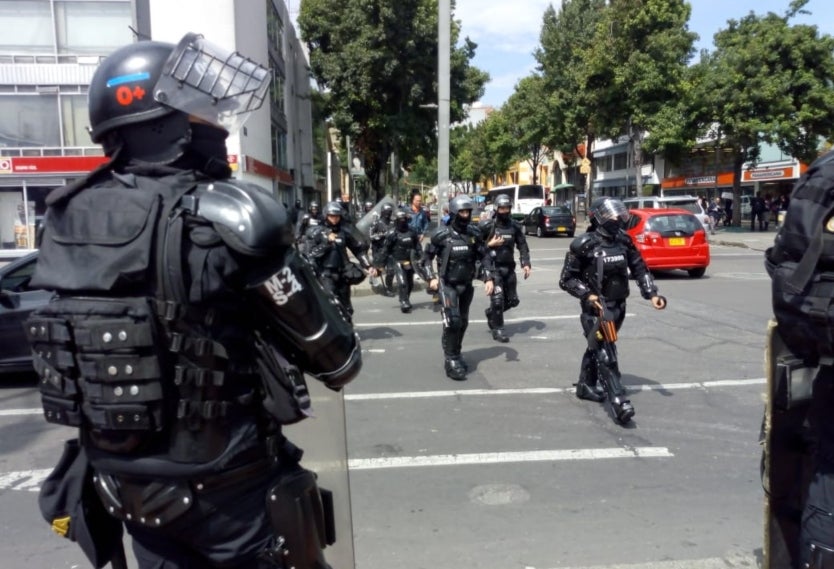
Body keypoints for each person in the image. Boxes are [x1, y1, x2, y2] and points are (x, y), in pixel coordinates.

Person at [25, 34, 360, 569]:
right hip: (233, 492)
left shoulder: (66, 216)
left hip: (127, 487)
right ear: (167, 122)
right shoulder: (230, 216)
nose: (217, 121)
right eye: (203, 109)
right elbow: (338, 360)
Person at [559, 197, 666, 422]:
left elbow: (639, 267)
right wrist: (587, 294)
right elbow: (567, 279)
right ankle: (618, 401)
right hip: (598, 309)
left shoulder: (623, 240)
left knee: (597, 346)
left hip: (619, 306)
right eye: (611, 214)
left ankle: (586, 385)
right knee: (605, 352)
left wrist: (652, 294)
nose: (617, 218)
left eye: (618, 213)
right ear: (598, 217)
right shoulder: (584, 244)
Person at [423, 195, 495, 381]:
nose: (465, 215)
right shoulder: (441, 235)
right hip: (448, 285)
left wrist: (488, 277)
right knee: (452, 321)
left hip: (466, 285)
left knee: (462, 323)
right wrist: (431, 278)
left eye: (467, 211)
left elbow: (485, 255)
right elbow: (425, 259)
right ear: (454, 213)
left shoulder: (474, 234)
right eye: (461, 212)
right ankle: (451, 358)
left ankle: (457, 352)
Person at [306, 201, 377, 319]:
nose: (334, 219)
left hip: (343, 273)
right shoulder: (316, 232)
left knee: (347, 309)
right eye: (331, 216)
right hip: (325, 274)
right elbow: (311, 254)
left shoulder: (344, 232)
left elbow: (358, 249)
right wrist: (326, 242)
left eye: (337, 216)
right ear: (326, 215)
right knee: (333, 305)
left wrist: (368, 266)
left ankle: (348, 332)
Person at [479, 194, 532, 343]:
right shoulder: (487, 226)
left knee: (513, 300)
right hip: (493, 268)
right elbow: (475, 247)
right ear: (496, 208)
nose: (504, 211)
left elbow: (522, 245)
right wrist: (489, 245)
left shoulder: (514, 226)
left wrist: (526, 263)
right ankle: (498, 329)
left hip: (509, 268)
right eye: (501, 208)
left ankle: (492, 314)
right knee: (497, 301)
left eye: (507, 208)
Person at [378, 210, 425, 313]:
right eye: (400, 220)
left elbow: (418, 246)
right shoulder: (392, 233)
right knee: (402, 282)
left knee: (410, 284)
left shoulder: (412, 232)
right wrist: (380, 264)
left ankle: (405, 298)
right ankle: (404, 302)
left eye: (404, 219)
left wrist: (422, 256)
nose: (402, 221)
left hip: (411, 261)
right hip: (398, 260)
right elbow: (385, 249)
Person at [369, 202, 395, 295]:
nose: (388, 214)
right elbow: (371, 236)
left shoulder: (393, 223)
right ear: (383, 212)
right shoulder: (376, 223)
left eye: (390, 212)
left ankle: (389, 288)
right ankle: (372, 277)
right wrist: (382, 235)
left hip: (390, 250)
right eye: (387, 212)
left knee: (391, 270)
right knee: (378, 270)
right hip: (379, 250)